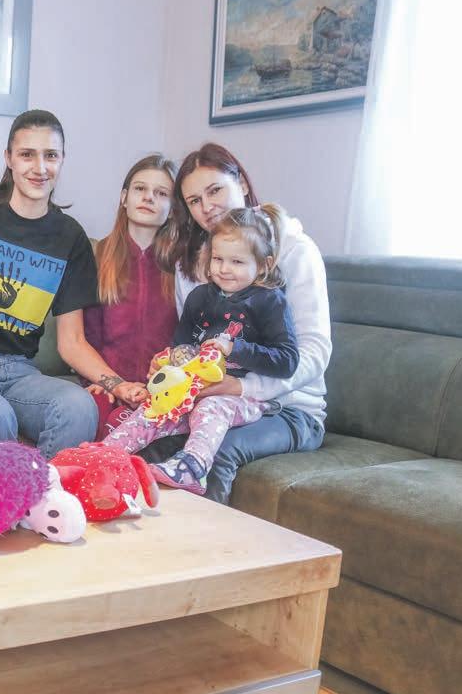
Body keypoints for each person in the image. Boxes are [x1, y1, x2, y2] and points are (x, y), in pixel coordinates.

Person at [0, 109, 135, 458]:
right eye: (27, 154)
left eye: (50, 155)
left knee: (78, 407)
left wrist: (117, 384)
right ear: (8, 158)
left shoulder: (70, 237)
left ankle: (43, 492)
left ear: (62, 160)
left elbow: (72, 341)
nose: (40, 168)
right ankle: (0, 492)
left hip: (21, 370)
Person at [149, 143, 331, 503]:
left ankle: (209, 540)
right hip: (215, 399)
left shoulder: (295, 250)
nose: (207, 206)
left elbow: (315, 351)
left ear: (242, 185)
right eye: (194, 200)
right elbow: (195, 344)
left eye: (215, 190)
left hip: (289, 409)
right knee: (155, 439)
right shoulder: (192, 265)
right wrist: (174, 367)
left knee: (214, 451)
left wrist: (243, 387)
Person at [104, 205, 299, 495]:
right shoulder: (200, 297)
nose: (224, 269)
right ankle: (105, 454)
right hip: (194, 388)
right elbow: (181, 345)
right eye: (218, 259)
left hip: (246, 399)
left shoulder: (270, 302)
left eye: (237, 261)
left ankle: (193, 468)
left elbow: (287, 361)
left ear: (263, 265)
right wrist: (169, 362)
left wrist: (234, 348)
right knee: (154, 409)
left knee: (211, 407)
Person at [83, 153, 177, 440]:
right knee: (95, 417)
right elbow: (86, 335)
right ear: (124, 197)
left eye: (161, 193)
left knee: (145, 429)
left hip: (163, 389)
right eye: (140, 189)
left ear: (174, 208)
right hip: (107, 384)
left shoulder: (182, 266)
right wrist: (101, 380)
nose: (149, 197)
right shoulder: (98, 257)